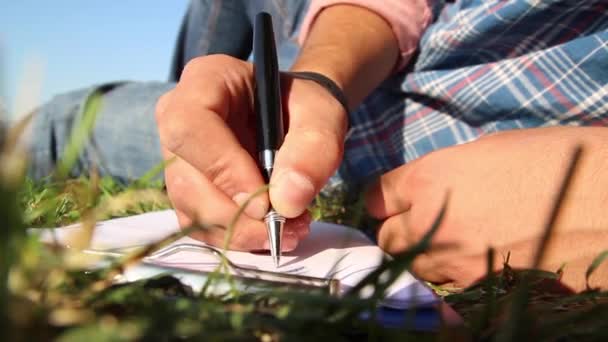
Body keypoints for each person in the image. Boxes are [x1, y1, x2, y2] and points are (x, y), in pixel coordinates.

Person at [29, 0, 608, 291]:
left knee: (62, 123)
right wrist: (319, 81)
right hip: (326, 65)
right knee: (191, 97)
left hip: (364, 150)